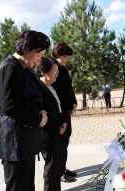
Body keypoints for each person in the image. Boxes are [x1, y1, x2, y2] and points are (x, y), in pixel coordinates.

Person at [0, 30, 50, 191]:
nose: (39, 60)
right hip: (15, 142)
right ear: (26, 48)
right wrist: (38, 119)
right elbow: (9, 107)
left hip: (24, 140)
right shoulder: (10, 68)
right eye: (39, 54)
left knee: (26, 185)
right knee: (18, 186)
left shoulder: (21, 68)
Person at [35, 56, 67, 191]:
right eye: (54, 72)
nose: (56, 75)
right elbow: (41, 116)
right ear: (43, 71)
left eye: (57, 72)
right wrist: (56, 130)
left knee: (56, 166)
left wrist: (64, 121)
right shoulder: (38, 89)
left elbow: (61, 106)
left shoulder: (52, 86)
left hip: (58, 130)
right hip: (48, 133)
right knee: (51, 167)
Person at [51, 43, 78, 182]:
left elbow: (69, 90)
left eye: (68, 57)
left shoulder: (64, 70)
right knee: (59, 142)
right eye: (65, 56)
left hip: (66, 112)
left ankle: (63, 167)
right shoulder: (50, 68)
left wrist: (74, 103)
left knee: (65, 140)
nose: (67, 59)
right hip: (57, 113)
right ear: (56, 54)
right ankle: (58, 172)